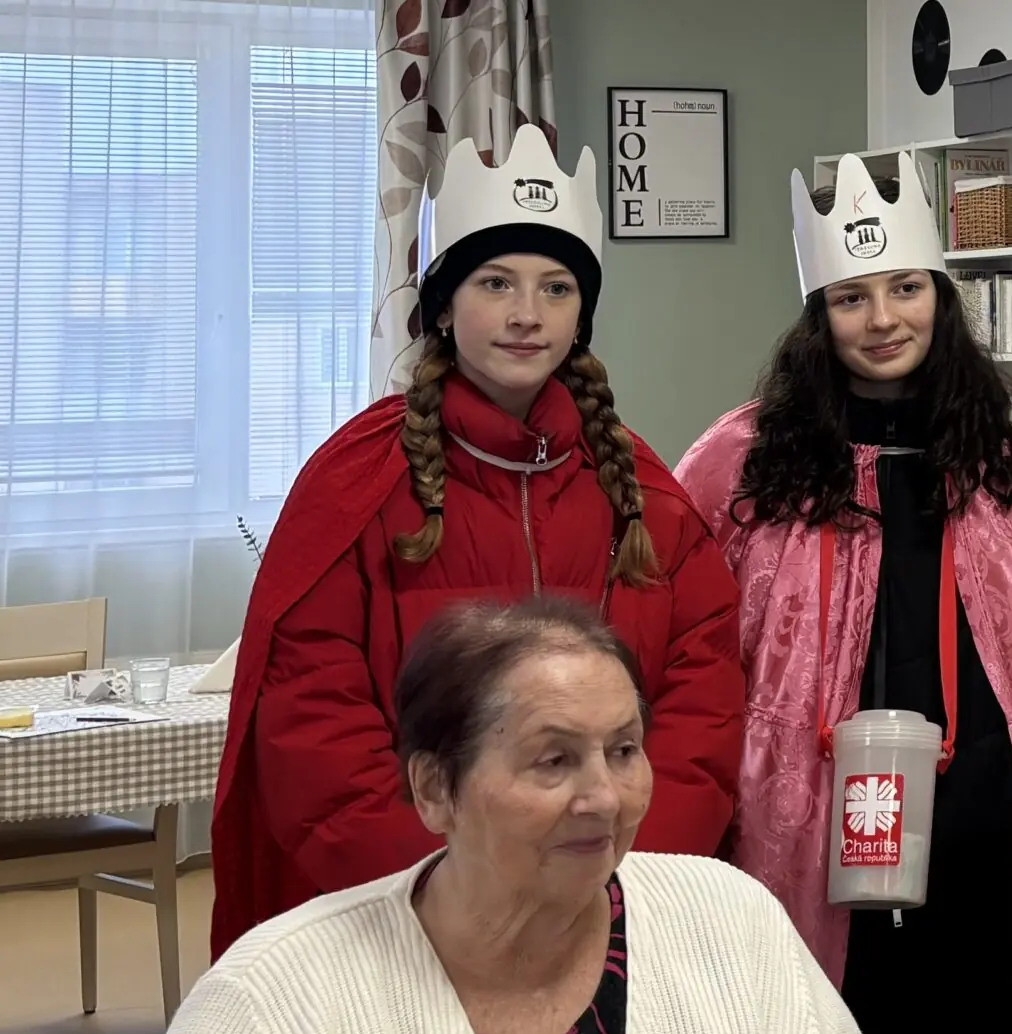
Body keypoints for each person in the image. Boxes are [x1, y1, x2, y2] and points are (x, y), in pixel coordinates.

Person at [83, 599, 936, 1034]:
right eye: (552, 760)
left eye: (624, 750)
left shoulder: (729, 919)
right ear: (434, 789)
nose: (604, 797)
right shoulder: (279, 996)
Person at [673, 151, 1012, 1034]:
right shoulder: (744, 461)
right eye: (851, 297)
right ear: (816, 314)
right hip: (814, 843)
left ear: (941, 295)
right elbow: (687, 651)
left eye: (906, 288)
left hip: (979, 845)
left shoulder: (1008, 467)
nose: (882, 319)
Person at [210, 125, 744, 960]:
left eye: (556, 288)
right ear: (444, 306)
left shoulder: (647, 499)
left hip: (610, 917)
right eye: (496, 283)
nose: (527, 315)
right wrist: (455, 896)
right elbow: (313, 724)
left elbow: (701, 710)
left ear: (582, 314)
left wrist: (610, 884)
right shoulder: (356, 486)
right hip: (407, 923)